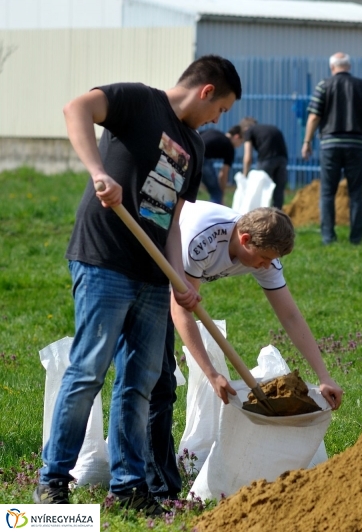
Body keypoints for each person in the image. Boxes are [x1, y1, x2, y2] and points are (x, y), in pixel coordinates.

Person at [35, 55, 241, 515]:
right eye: (221, 109)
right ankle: (52, 483)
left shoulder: (195, 144)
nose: (217, 119)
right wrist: (98, 171)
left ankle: (130, 489)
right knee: (89, 369)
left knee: (139, 383)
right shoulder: (138, 100)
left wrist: (178, 280)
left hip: (152, 275)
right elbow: (76, 109)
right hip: (104, 257)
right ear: (207, 91)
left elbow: (171, 224)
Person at [145, 201, 344, 500]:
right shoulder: (203, 239)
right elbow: (180, 308)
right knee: (157, 382)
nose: (266, 266)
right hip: (145, 260)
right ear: (245, 240)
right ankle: (151, 486)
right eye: (263, 259)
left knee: (158, 383)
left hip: (175, 275)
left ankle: (156, 482)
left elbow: (290, 315)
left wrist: (324, 376)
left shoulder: (264, 254)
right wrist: (211, 374)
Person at [301, 52, 362, 245]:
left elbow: (314, 116)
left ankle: (328, 237)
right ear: (348, 66)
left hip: (330, 145)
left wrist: (307, 141)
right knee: (356, 193)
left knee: (327, 192)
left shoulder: (323, 85)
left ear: (332, 67)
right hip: (356, 145)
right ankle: (356, 238)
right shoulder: (361, 86)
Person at [240, 117, 290, 209]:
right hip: (283, 158)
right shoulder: (270, 127)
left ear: (245, 129)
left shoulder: (249, 131)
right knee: (279, 189)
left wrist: (245, 174)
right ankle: (277, 215)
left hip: (266, 159)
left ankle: (260, 213)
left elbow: (248, 157)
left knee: (259, 188)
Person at [199, 125, 244, 205]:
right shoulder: (230, 148)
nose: (240, 145)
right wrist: (221, 194)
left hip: (188, 153)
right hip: (202, 158)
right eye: (241, 142)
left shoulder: (213, 131)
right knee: (216, 193)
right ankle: (214, 213)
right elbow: (223, 174)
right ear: (236, 137)